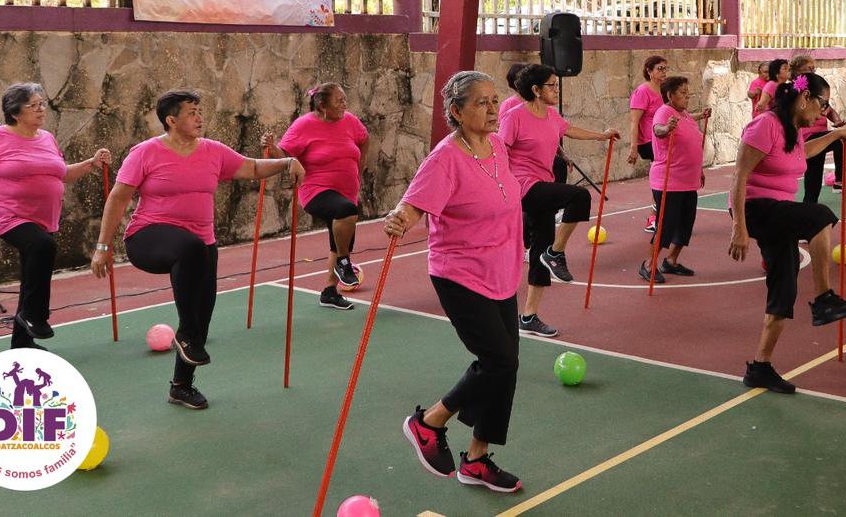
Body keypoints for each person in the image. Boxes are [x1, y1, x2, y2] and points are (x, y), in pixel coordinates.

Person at [91, 90, 303, 410]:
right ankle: (187, 334)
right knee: (189, 248)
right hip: (148, 238)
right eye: (191, 113)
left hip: (201, 247)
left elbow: (252, 168)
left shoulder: (213, 151)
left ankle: (181, 386)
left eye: (200, 111)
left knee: (202, 312)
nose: (200, 118)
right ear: (171, 120)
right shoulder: (145, 152)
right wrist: (102, 246)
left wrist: (287, 161)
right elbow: (119, 197)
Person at [386, 71, 525, 493]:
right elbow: (414, 205)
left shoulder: (497, 146)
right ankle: (429, 422)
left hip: (501, 271)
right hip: (460, 273)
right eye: (481, 102)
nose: (493, 108)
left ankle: (477, 461)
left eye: (495, 99)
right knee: (499, 360)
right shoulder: (445, 158)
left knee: (505, 368)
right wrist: (401, 218)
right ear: (457, 112)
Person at [0, 83, 110, 350]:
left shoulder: (47, 139)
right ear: (15, 112)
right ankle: (35, 315)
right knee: (43, 246)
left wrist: (91, 163)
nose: (41, 109)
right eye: (33, 105)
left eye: (41, 104)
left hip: (44, 217)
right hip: (8, 214)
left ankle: (22, 343)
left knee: (32, 273)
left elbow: (62, 174)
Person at [729, 73, 846, 394]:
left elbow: (803, 153)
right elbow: (739, 175)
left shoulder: (792, 130)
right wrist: (739, 227)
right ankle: (824, 299)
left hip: (779, 212)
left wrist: (835, 135)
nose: (823, 112)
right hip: (756, 209)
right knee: (819, 215)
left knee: (785, 287)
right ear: (805, 98)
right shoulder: (765, 125)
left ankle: (760, 367)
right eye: (822, 104)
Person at [499, 64, 618, 338]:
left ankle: (529, 317)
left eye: (556, 84)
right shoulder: (514, 117)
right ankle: (555, 253)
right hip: (524, 187)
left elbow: (571, 130)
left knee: (538, 252)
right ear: (536, 90)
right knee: (580, 195)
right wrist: (500, 189)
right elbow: (500, 152)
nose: (557, 89)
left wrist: (602, 135)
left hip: (544, 184)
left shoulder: (552, 115)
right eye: (552, 85)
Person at [261, 82, 368, 311]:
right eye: (339, 100)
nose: (344, 104)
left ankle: (329, 292)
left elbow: (364, 139)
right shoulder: (304, 125)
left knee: (339, 241)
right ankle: (343, 263)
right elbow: (284, 154)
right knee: (345, 212)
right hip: (316, 191)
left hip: (348, 191)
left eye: (344, 99)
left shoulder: (350, 121)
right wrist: (271, 146)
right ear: (322, 106)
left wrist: (359, 171)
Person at [640, 75, 711, 282]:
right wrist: (667, 128)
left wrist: (699, 169)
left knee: (686, 223)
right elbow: (658, 130)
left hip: (688, 180)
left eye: (688, 92)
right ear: (670, 95)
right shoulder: (664, 112)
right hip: (669, 181)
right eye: (683, 92)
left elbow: (692, 143)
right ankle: (648, 264)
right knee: (666, 225)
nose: (687, 96)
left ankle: (671, 260)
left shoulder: (684, 115)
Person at [790, 53, 846, 199]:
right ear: (796, 71)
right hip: (807, 137)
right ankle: (840, 180)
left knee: (814, 180)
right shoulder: (794, 90)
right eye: (808, 69)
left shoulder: (816, 88)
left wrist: (837, 121)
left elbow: (828, 109)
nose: (812, 71)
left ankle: (810, 204)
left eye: (813, 69)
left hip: (821, 136)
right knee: (838, 139)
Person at [627, 55, 667, 164]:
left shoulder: (664, 90)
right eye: (660, 68)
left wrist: (700, 115)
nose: (664, 71)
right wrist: (633, 148)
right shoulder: (642, 91)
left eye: (665, 68)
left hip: (664, 136)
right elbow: (634, 121)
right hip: (649, 141)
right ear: (649, 71)